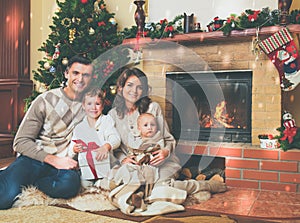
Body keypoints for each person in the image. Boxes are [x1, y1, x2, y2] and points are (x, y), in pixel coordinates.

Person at [108, 67, 227, 196]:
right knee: (125, 187)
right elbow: (116, 147)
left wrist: (165, 152)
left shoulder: (153, 108)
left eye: (139, 87)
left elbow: (169, 139)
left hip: (162, 163)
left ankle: (205, 185)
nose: (134, 91)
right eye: (129, 85)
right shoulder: (113, 115)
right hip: (134, 166)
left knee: (161, 190)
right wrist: (122, 159)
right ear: (120, 88)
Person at [0, 55, 94, 210]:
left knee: (70, 186)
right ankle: (12, 177)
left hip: (63, 166)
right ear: (66, 74)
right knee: (4, 198)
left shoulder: (90, 105)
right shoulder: (45, 100)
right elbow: (20, 142)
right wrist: (53, 159)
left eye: (86, 75)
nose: (80, 79)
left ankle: (28, 182)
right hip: (34, 159)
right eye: (76, 73)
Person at [68, 87, 121, 187]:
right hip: (87, 168)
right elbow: (71, 148)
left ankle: (101, 184)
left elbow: (116, 138)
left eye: (97, 104)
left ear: (103, 105)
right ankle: (91, 188)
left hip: (106, 166)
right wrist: (74, 149)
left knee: (109, 182)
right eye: (89, 104)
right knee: (84, 185)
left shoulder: (106, 121)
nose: (93, 108)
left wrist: (107, 146)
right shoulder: (80, 127)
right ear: (83, 105)